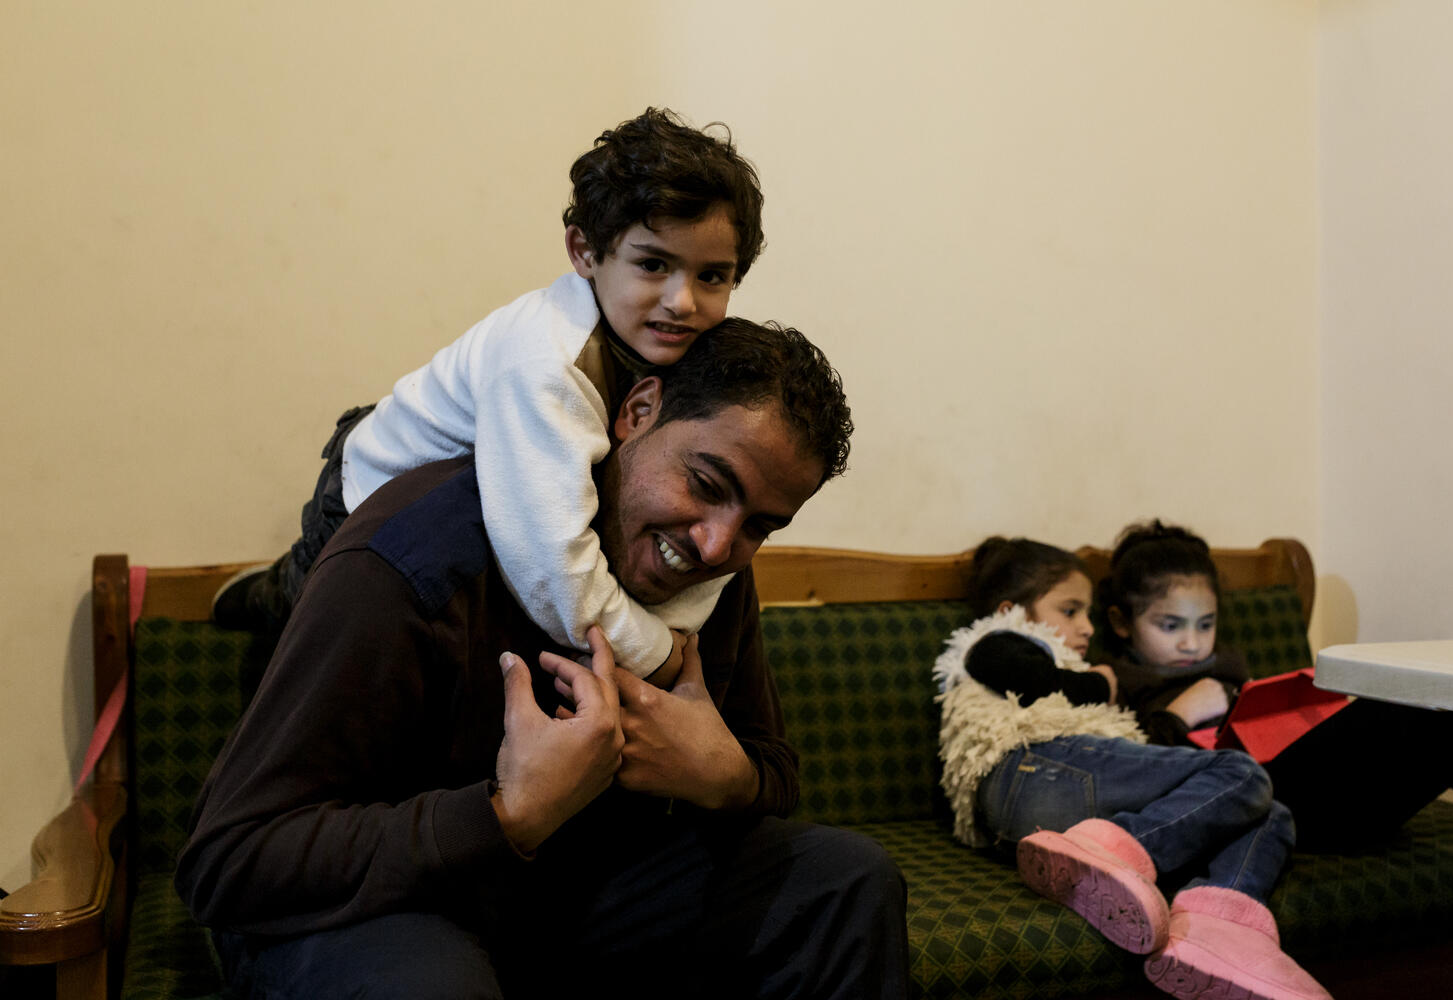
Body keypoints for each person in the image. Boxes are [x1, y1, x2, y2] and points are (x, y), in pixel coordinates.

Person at [175, 319, 908, 999]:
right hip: (376, 906)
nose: (718, 546)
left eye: (759, 527)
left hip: (562, 902)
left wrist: (728, 776)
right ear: (638, 411)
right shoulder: (414, 560)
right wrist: (510, 812)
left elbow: (771, 770)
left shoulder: (708, 575)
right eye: (707, 485)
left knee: (847, 885)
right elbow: (230, 861)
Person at [213, 107, 767, 688]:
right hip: (372, 493)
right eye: (653, 264)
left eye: (712, 277)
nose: (682, 300)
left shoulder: (676, 344)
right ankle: (269, 595)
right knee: (311, 633)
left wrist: (669, 632)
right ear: (584, 252)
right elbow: (552, 568)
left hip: (479, 505)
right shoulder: (546, 365)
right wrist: (657, 653)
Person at [934, 537, 1329, 1000]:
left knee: (1272, 811)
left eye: (1087, 612)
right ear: (1009, 611)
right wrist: (1100, 683)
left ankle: (1216, 931)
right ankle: (1115, 855)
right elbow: (1024, 673)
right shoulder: (995, 642)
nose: (1086, 628)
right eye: (1070, 610)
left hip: (1043, 812)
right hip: (1032, 768)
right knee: (1240, 774)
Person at [1097, 519, 1453, 851]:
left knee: (1442, 718)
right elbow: (1123, 780)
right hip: (1255, 806)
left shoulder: (1229, 667)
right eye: (1170, 626)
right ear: (1120, 622)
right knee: (1401, 709)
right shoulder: (1116, 684)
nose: (1191, 642)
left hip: (1328, 798)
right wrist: (1176, 716)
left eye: (1206, 624)